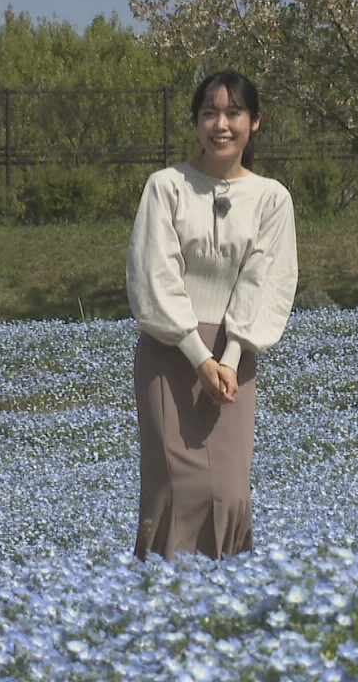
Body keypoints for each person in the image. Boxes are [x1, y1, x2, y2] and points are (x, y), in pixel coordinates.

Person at [126, 69, 298, 561]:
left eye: (233, 113)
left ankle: (227, 597)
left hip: (235, 358)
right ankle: (165, 598)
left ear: (255, 122)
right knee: (176, 488)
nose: (220, 125)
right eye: (209, 113)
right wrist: (200, 357)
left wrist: (232, 354)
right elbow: (155, 275)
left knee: (228, 490)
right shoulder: (166, 187)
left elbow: (265, 280)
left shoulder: (272, 198)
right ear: (196, 122)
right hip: (170, 350)